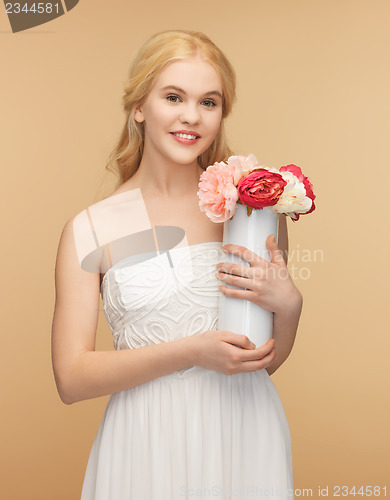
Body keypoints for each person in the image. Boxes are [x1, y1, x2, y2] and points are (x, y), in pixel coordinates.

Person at [51, 29, 303, 500]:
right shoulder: (89, 229)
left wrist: (290, 307)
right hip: (144, 442)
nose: (191, 116)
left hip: (244, 433)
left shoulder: (248, 211)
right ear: (139, 106)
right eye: (173, 97)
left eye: (209, 102)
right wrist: (190, 352)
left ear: (222, 113)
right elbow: (71, 378)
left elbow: (262, 361)